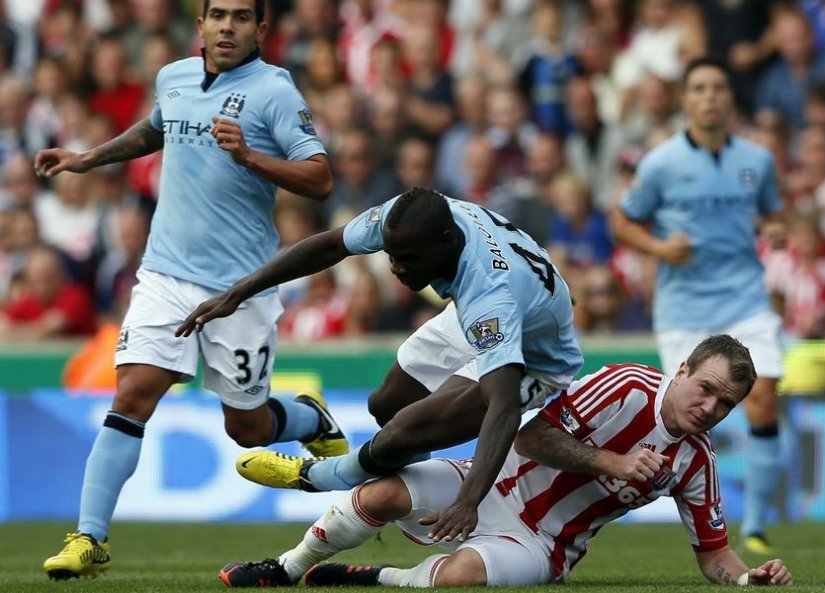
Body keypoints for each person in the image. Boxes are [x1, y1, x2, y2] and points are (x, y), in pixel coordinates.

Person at [36, 0, 341, 580]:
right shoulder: (173, 77)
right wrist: (87, 159)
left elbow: (320, 178)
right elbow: (157, 128)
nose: (229, 26)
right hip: (164, 274)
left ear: (262, 29)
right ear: (199, 24)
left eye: (243, 17)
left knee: (246, 428)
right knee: (131, 397)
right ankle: (89, 538)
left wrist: (250, 156)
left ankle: (308, 419)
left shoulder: (275, 91)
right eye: (218, 14)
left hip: (242, 286)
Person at [176, 186, 583, 546]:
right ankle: (411, 499)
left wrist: (467, 502)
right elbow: (331, 244)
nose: (394, 268)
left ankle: (318, 475)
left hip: (535, 358)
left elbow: (505, 405)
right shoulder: (408, 216)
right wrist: (238, 292)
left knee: (401, 432)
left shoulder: (489, 294)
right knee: (386, 405)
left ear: (445, 242)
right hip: (485, 316)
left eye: (407, 259)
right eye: (391, 255)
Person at [216, 335, 793, 589]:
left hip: (543, 546)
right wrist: (612, 463)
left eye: (727, 403)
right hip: (488, 483)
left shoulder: (697, 463)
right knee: (379, 495)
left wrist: (746, 579)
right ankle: (288, 569)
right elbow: (529, 437)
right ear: (684, 371)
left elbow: (713, 553)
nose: (711, 407)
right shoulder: (626, 387)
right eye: (707, 388)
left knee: (462, 576)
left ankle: (372, 578)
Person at [611, 56, 785, 555]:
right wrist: (661, 250)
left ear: (730, 99)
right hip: (685, 307)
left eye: (718, 88)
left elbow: (775, 211)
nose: (710, 96)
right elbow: (622, 222)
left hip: (745, 297)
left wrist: (775, 227)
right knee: (687, 416)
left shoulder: (757, 161)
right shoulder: (661, 162)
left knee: (765, 395)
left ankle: (755, 523)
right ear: (686, 99)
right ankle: (691, 520)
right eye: (700, 88)